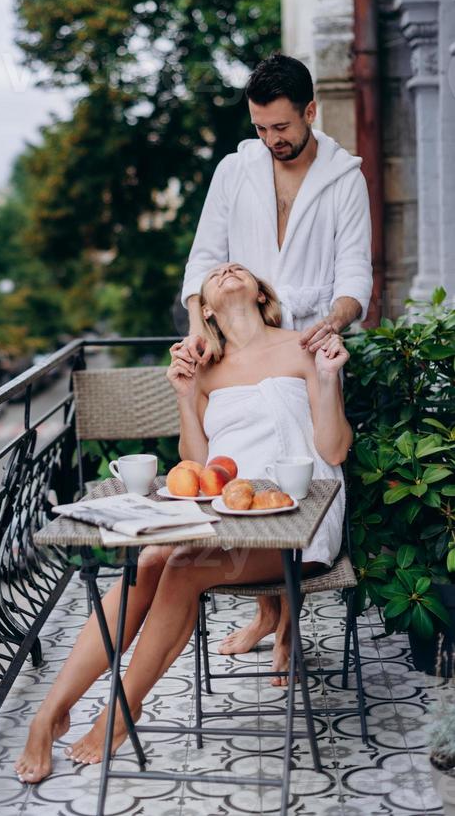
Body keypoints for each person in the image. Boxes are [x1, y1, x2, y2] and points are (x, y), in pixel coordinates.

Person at [14, 262, 351, 784]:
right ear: (206, 309)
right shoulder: (207, 369)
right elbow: (196, 464)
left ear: (263, 296)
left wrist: (328, 378)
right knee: (149, 560)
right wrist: (184, 396)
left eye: (241, 269)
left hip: (300, 519)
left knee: (185, 569)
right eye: (216, 274)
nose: (230, 269)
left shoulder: (303, 347)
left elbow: (333, 449)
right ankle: (50, 711)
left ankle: (121, 712)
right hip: (227, 515)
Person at [180, 52, 371, 655]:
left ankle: (287, 625)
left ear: (310, 111)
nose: (270, 140)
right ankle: (266, 614)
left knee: (302, 459)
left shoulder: (345, 178)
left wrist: (332, 323)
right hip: (242, 339)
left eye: (281, 127)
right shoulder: (236, 170)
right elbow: (205, 253)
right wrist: (199, 325)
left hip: (310, 351)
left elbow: (355, 273)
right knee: (246, 452)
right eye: (260, 127)